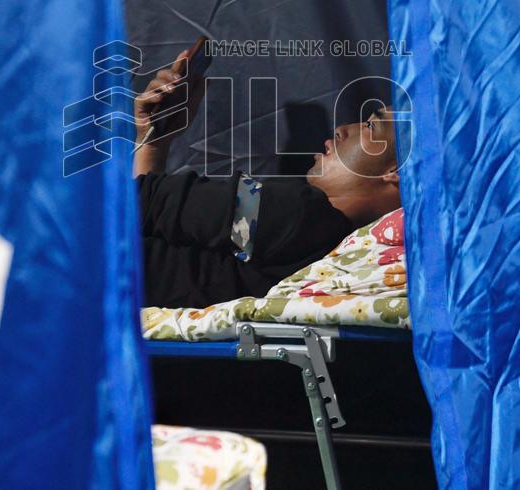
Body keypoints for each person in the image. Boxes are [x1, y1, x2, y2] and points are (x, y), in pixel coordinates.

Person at [135, 50, 401, 309]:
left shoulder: (299, 215)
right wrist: (154, 145)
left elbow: (145, 201)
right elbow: (147, 214)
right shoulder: (321, 245)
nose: (342, 130)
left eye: (370, 126)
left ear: (396, 171)